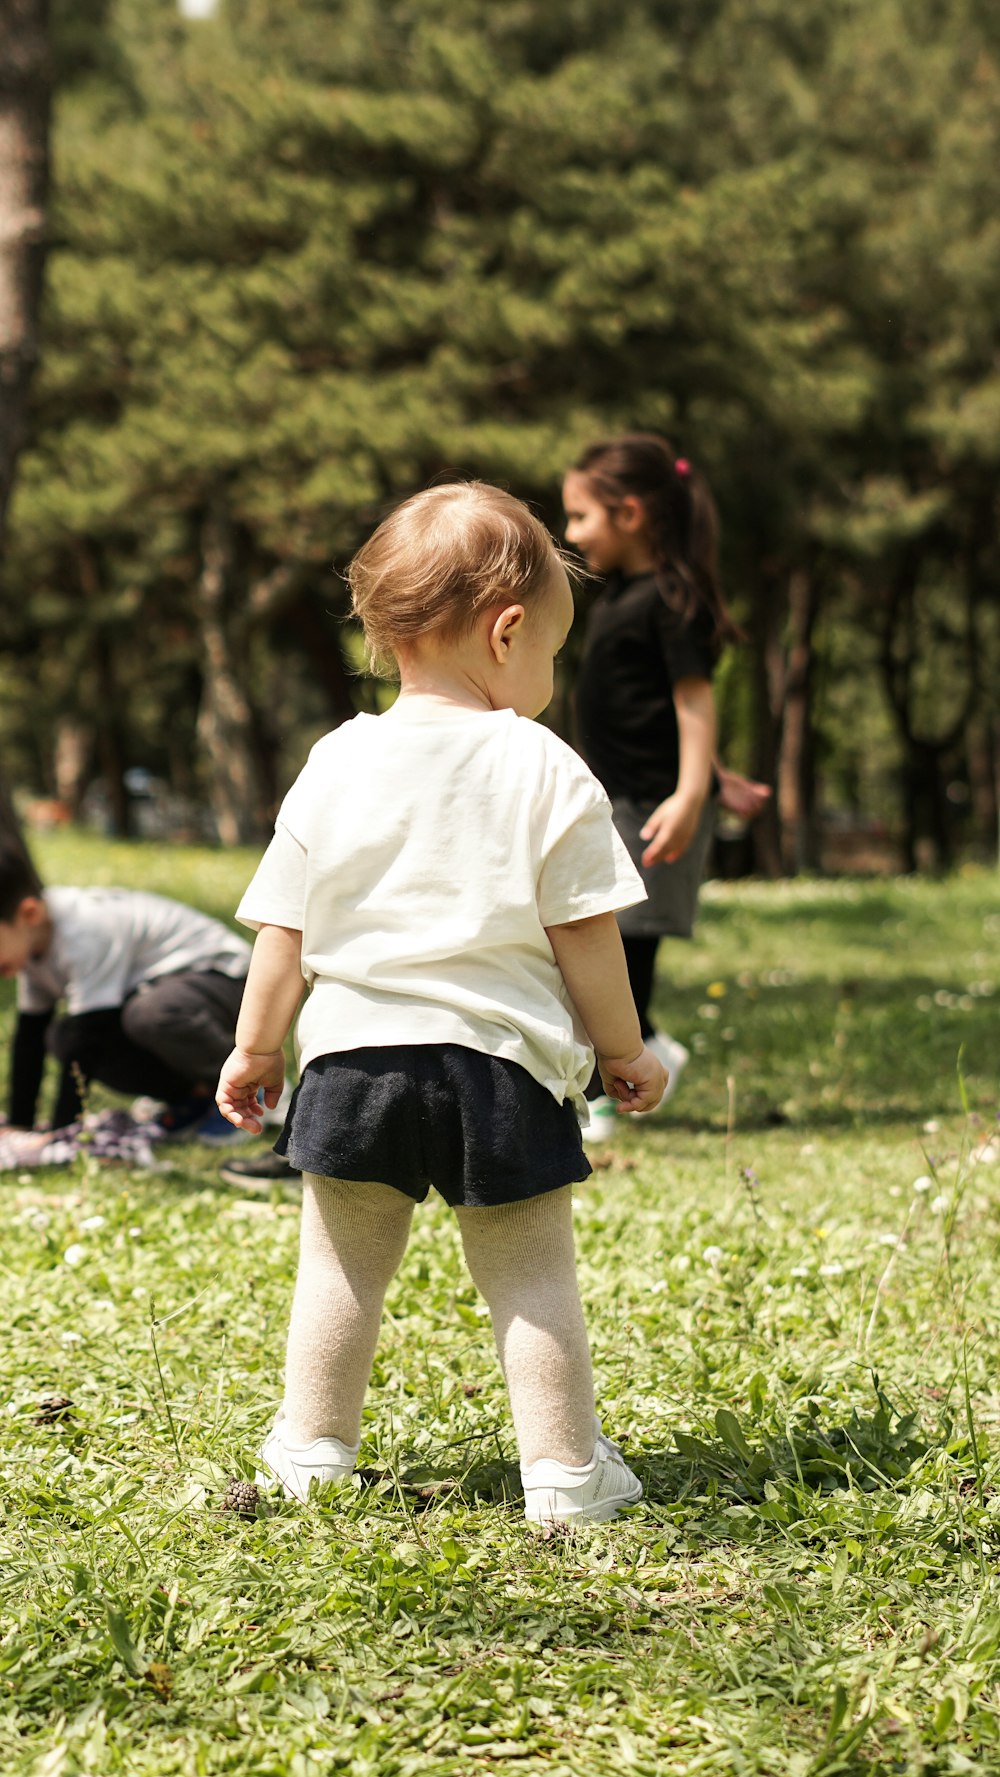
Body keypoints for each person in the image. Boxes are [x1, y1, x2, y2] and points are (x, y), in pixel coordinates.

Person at [216, 482, 666, 1526]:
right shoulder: (544, 764)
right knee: (530, 1278)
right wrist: (621, 1047)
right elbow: (584, 929)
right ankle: (562, 1473)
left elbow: (283, 923)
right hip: (496, 1065)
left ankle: (312, 1450)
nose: (548, 674)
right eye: (552, 650)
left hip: (350, 1062)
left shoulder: (337, 759)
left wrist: (254, 1047)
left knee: (339, 1270)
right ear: (508, 632)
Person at [562, 432, 751, 1140]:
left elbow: (692, 700)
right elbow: (652, 711)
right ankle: (651, 1051)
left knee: (621, 942)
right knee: (607, 937)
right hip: (624, 796)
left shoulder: (672, 599)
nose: (573, 533)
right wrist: (716, 777)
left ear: (631, 513)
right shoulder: (626, 598)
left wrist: (694, 791)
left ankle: (611, 1091)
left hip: (651, 804)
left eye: (581, 516)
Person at [0, 844, 251, 1151]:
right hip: (159, 993)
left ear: (29, 913)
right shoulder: (31, 948)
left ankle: (251, 1087)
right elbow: (31, 1037)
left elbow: (87, 1039)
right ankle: (194, 1096)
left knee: (148, 1014)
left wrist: (61, 1135)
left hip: (225, 980)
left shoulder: (83, 930)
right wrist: (19, 1125)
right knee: (60, 1037)